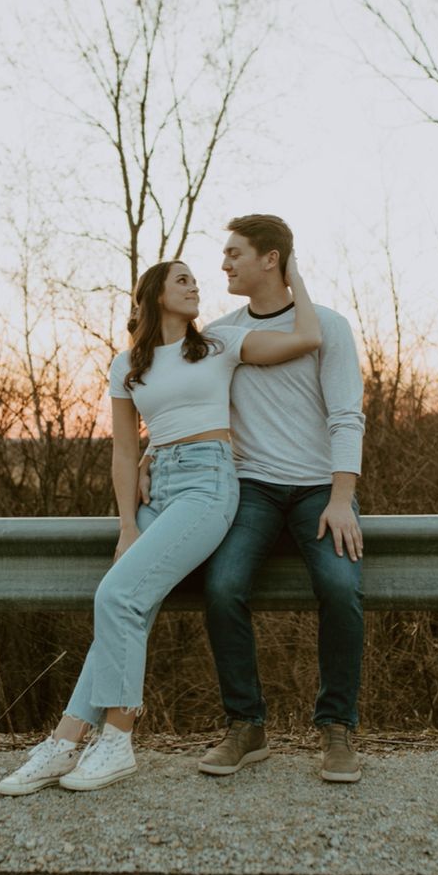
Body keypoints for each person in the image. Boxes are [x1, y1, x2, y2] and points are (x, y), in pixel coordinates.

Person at [0, 252, 321, 796]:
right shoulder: (126, 365)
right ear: (155, 295)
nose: (197, 287)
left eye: (197, 280)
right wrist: (127, 523)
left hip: (209, 484)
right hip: (159, 483)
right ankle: (65, 742)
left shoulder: (219, 345)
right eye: (184, 280)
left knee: (117, 596)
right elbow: (125, 453)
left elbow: (306, 338)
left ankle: (118, 739)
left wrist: (294, 276)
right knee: (128, 607)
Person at [142, 215, 365, 783]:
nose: (222, 266)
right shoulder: (218, 333)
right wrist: (153, 452)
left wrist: (342, 497)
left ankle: (336, 729)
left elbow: (346, 416)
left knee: (340, 589)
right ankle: (247, 725)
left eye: (234, 253)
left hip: (319, 490)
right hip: (252, 487)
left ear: (272, 260)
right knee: (223, 587)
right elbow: (185, 402)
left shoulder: (330, 327)